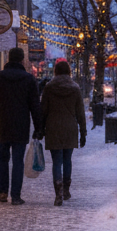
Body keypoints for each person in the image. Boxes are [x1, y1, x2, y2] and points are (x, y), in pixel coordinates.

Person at [0, 46, 43, 204]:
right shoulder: (29, 79)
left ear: (8, 59)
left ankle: (3, 192)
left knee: (3, 159)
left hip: (2, 125)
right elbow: (35, 106)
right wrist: (38, 128)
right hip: (21, 125)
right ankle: (15, 196)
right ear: (22, 60)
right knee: (18, 161)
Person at [40, 58, 86, 206]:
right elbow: (80, 113)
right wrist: (83, 132)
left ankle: (58, 192)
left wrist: (40, 129)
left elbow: (43, 111)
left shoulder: (49, 88)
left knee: (56, 161)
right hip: (70, 128)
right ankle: (66, 190)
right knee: (67, 160)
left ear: (55, 72)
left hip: (53, 128)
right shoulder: (75, 88)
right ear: (69, 71)